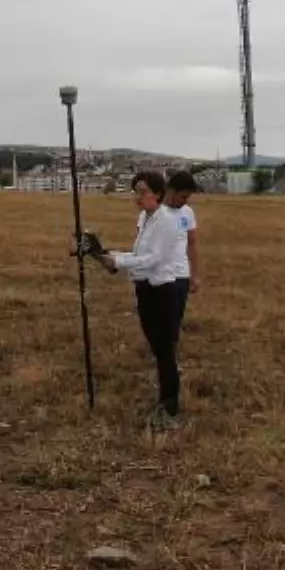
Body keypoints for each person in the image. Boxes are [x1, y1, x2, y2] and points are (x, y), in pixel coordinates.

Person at [93, 171, 183, 430]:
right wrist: (110, 254)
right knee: (156, 346)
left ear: (158, 193)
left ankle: (170, 406)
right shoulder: (145, 218)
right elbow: (138, 253)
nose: (137, 197)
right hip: (144, 289)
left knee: (164, 349)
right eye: (135, 191)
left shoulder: (167, 221)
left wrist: (118, 262)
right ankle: (165, 397)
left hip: (163, 291)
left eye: (142, 191)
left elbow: (154, 259)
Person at [162, 170, 201, 334]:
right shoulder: (153, 213)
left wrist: (195, 275)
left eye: (188, 198)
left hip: (181, 276)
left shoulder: (187, 213)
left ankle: (171, 353)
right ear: (171, 190)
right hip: (160, 275)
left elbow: (191, 244)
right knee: (161, 319)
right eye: (183, 197)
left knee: (175, 320)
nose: (185, 202)